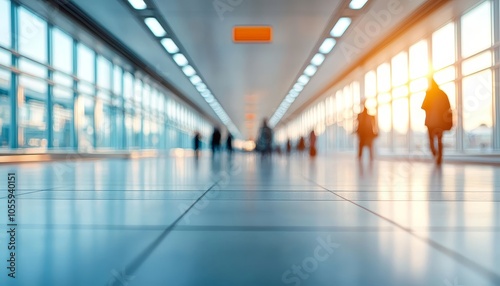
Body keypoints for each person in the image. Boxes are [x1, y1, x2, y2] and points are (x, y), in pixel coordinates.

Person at [422, 78, 453, 165]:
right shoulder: (443, 94)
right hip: (440, 122)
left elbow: (424, 106)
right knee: (439, 140)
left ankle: (435, 154)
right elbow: (448, 107)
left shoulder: (429, 93)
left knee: (431, 140)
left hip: (431, 122)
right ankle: (439, 157)